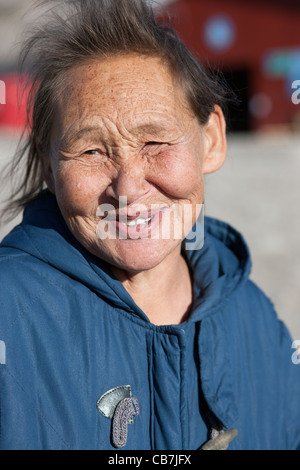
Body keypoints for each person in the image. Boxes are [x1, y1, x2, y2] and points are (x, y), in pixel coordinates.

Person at [0, 0, 299, 451]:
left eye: (155, 142)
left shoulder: (257, 324)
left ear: (211, 140)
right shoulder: (10, 316)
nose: (128, 188)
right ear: (47, 163)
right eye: (92, 152)